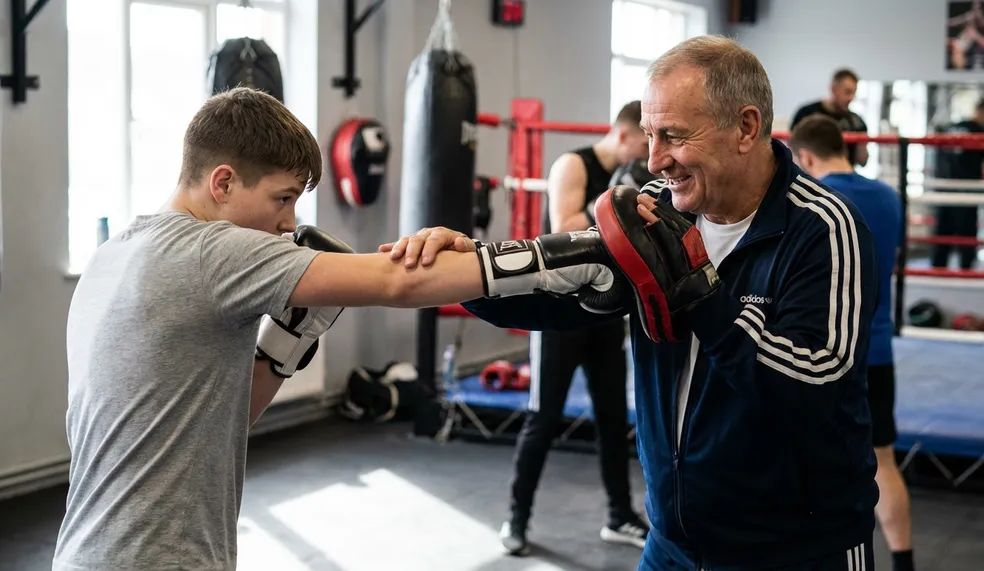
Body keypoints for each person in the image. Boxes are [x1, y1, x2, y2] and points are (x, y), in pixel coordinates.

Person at [54, 86, 665, 571]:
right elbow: (401, 283)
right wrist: (573, 254)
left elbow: (221, 422)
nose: (288, 224)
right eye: (281, 198)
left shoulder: (117, 253)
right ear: (222, 183)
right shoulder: (212, 252)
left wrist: (284, 346)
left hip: (91, 551)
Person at [385, 35, 881, 571]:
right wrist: (470, 271)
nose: (654, 159)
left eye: (673, 136)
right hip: (672, 543)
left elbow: (812, 391)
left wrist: (701, 296)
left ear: (746, 127)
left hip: (795, 552)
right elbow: (562, 298)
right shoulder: (660, 214)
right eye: (648, 135)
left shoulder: (825, 229)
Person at [499, 101, 651, 556]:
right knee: (543, 418)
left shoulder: (636, 174)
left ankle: (619, 516)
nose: (647, 155)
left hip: (605, 313)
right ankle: (516, 518)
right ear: (624, 136)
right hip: (559, 314)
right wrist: (610, 200)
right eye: (644, 143)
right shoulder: (573, 165)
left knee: (611, 419)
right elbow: (563, 227)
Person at [790, 114, 915, 571]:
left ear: (804, 157)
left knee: (809, 464)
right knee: (884, 462)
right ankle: (904, 563)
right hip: (878, 350)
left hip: (825, 354)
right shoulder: (887, 198)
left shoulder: (815, 202)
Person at [930, 99, 984, 270]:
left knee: (942, 237)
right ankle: (966, 273)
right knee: (966, 240)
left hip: (943, 191)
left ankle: (937, 273)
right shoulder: (979, 131)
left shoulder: (950, 128)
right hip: (965, 192)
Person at [791, 68, 869, 167]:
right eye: (847, 92)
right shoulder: (807, 113)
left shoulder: (856, 122)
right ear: (833, 89)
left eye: (854, 93)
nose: (851, 98)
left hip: (844, 178)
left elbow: (863, 162)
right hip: (812, 177)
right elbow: (793, 149)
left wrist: (862, 144)